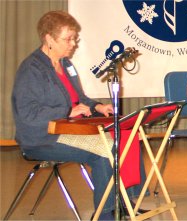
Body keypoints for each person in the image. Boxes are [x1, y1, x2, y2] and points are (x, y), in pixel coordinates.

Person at [11, 11, 147, 220]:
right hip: (42, 137)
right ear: (49, 39)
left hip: (70, 129)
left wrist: (98, 107)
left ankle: (125, 202)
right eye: (68, 39)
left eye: (74, 38)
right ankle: (105, 214)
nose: (73, 44)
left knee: (126, 137)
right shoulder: (32, 69)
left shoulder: (66, 65)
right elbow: (28, 113)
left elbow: (79, 99)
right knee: (105, 151)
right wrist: (65, 111)